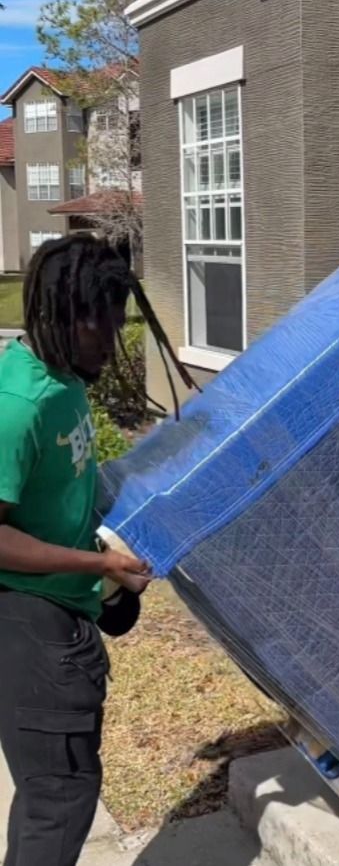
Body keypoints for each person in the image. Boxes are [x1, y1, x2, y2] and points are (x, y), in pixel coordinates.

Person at [0, 236, 192, 866]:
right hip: (27, 623)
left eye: (117, 324)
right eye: (99, 327)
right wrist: (100, 565)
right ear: (59, 316)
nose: (110, 345)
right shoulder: (17, 406)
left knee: (49, 796)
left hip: (61, 612)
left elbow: (62, 485)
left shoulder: (63, 378)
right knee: (60, 798)